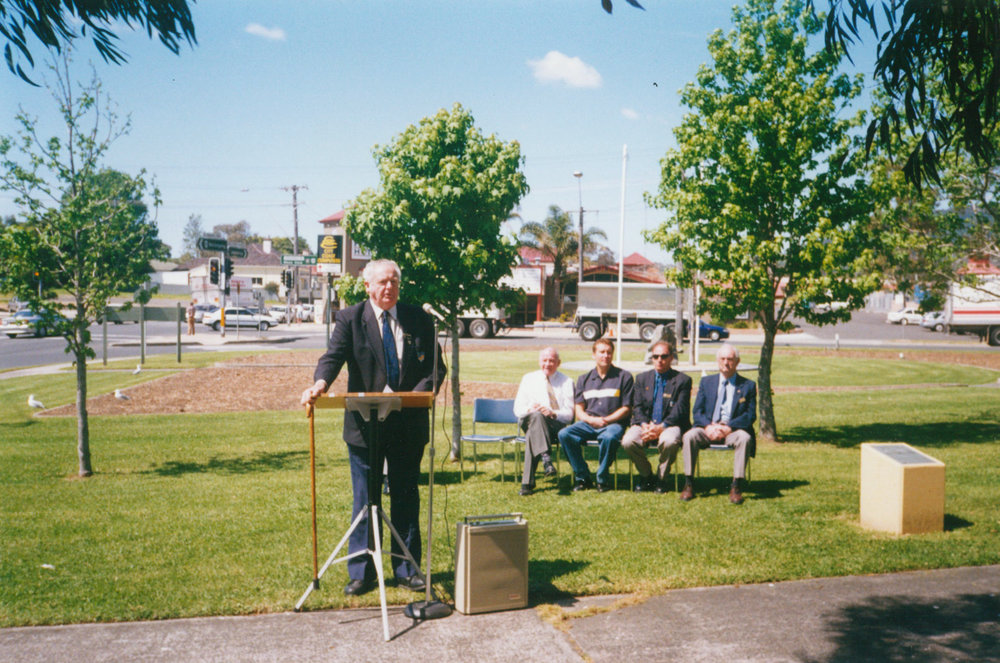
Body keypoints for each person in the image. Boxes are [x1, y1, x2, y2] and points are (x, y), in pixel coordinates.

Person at [300, 259, 445, 596]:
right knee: (365, 498)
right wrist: (320, 383)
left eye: (394, 281)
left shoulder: (418, 319)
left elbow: (436, 367)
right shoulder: (350, 318)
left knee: (406, 497)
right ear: (367, 286)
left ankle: (407, 568)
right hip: (365, 426)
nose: (389, 287)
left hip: (407, 424)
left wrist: (418, 394)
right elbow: (332, 357)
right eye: (382, 282)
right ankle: (361, 572)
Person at [679, 343, 756, 505]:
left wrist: (728, 428)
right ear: (717, 361)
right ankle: (688, 483)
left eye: (730, 359)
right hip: (708, 429)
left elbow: (750, 416)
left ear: (737, 361)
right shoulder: (707, 382)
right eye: (723, 359)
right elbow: (697, 412)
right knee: (689, 436)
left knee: (744, 438)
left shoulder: (748, 386)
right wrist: (708, 427)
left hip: (732, 430)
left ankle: (736, 485)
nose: (726, 363)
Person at [558, 337, 634, 493]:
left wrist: (605, 420)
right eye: (602, 352)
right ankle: (582, 476)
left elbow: (626, 408)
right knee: (564, 434)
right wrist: (591, 420)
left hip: (613, 424)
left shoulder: (624, 377)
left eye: (609, 352)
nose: (605, 356)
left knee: (610, 437)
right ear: (594, 354)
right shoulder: (584, 379)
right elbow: (579, 409)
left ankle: (602, 477)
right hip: (588, 423)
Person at [622, 339, 692, 493]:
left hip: (669, 425)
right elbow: (637, 406)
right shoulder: (641, 378)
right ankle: (647, 476)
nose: (659, 360)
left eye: (664, 356)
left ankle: (662, 478)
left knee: (669, 441)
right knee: (628, 441)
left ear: (671, 357)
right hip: (645, 425)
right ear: (651, 358)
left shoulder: (683, 380)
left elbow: (680, 410)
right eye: (656, 356)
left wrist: (661, 427)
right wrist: (645, 425)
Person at [512, 347, 574, 496]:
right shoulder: (528, 378)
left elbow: (570, 415)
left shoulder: (567, 381)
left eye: (552, 361)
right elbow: (517, 409)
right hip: (530, 420)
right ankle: (546, 458)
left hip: (555, 425)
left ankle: (527, 483)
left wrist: (553, 413)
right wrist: (530, 409)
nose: (548, 364)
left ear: (558, 363)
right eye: (544, 360)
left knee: (534, 433)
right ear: (539, 362)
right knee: (537, 418)